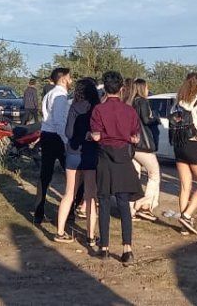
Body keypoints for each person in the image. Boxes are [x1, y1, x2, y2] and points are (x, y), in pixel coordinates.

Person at [89, 71, 141, 263]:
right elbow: (135, 137)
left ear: (105, 88)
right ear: (121, 89)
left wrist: (94, 136)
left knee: (103, 202)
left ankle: (104, 247)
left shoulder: (98, 110)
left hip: (104, 158)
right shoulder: (130, 111)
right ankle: (127, 249)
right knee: (123, 203)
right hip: (123, 159)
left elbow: (96, 136)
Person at [53, 78, 100, 244]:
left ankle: (60, 232)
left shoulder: (74, 106)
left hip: (73, 153)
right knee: (90, 196)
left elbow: (68, 133)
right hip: (90, 154)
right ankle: (90, 236)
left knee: (69, 193)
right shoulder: (97, 108)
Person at [166, 73, 197, 235]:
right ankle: (186, 216)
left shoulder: (177, 103)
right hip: (193, 144)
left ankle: (184, 225)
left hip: (178, 145)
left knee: (185, 186)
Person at [34, 68, 72, 225]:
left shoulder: (49, 93)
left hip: (47, 134)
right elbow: (59, 121)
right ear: (63, 79)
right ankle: (69, 212)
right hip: (57, 137)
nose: (71, 80)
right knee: (71, 175)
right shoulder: (60, 96)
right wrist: (66, 141)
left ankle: (39, 212)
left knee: (45, 174)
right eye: (69, 77)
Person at [129, 79, 160, 220]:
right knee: (154, 174)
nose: (148, 90)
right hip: (143, 144)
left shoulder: (130, 102)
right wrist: (156, 118)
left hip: (133, 144)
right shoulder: (142, 101)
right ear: (143, 88)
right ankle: (145, 205)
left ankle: (130, 209)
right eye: (147, 87)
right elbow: (146, 120)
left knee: (135, 176)